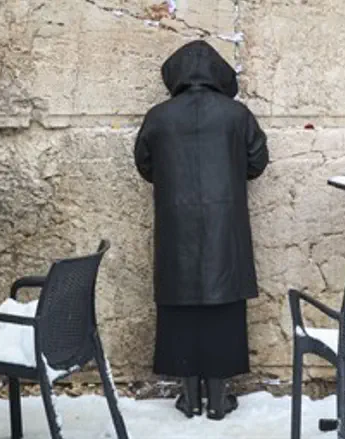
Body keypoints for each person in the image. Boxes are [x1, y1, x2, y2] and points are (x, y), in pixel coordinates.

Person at [133, 40, 269, 420]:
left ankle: (189, 397)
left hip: (175, 229)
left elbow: (145, 165)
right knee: (223, 311)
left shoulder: (158, 117)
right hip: (226, 231)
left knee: (180, 310)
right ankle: (220, 399)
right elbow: (257, 161)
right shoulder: (237, 115)